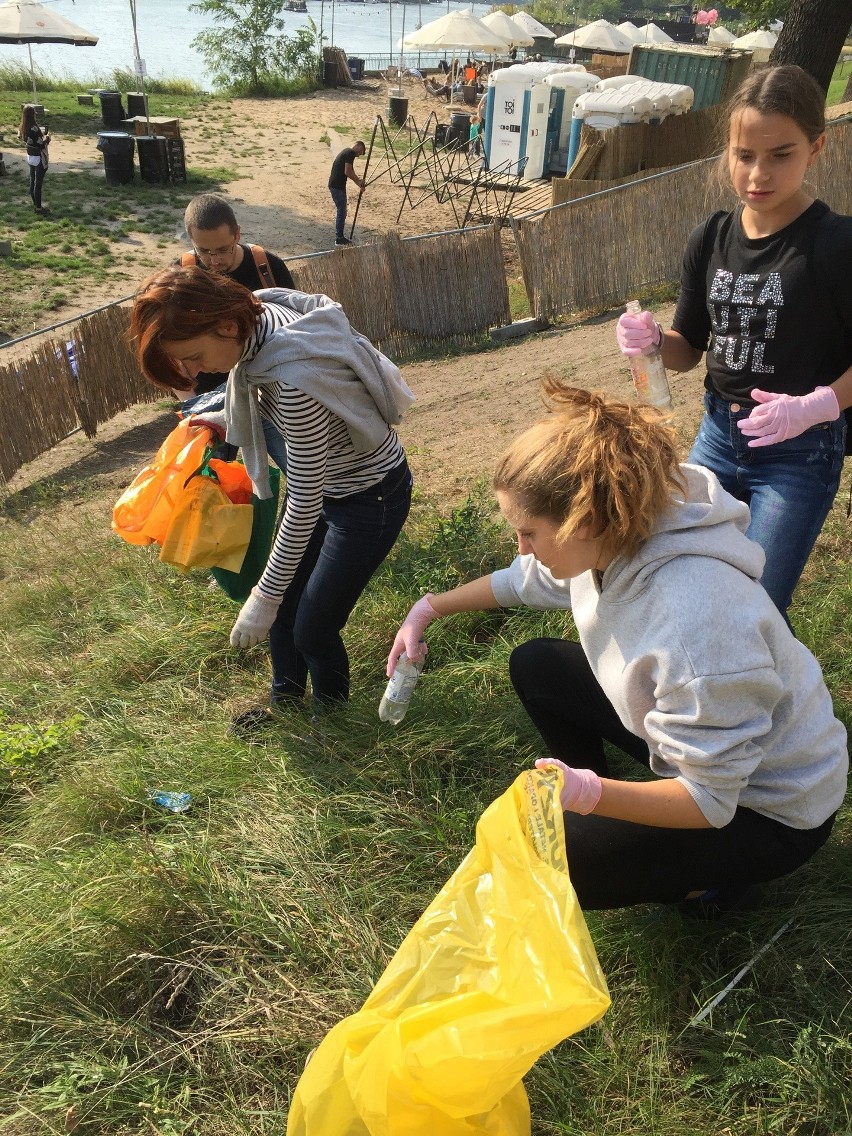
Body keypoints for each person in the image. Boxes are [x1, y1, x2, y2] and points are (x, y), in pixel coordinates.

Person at [387, 381, 847, 913]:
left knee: (558, 860)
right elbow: (521, 580)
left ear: (584, 522)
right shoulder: (617, 533)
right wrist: (428, 609)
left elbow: (711, 799)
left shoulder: (696, 627)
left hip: (768, 809)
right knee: (536, 664)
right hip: (702, 754)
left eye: (529, 532)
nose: (522, 547)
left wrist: (595, 795)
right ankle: (584, 800)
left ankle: (711, 884)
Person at [616, 65, 852, 624]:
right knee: (684, 574)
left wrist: (819, 405)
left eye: (781, 154)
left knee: (755, 608)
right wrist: (651, 342)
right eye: (744, 154)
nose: (758, 173)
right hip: (718, 437)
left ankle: (785, 708)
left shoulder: (836, 242)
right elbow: (689, 347)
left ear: (815, 148)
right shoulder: (712, 237)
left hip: (798, 452)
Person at [130, 265, 413, 730]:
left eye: (195, 356)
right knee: (285, 604)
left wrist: (263, 596)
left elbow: (303, 501)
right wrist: (223, 416)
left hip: (368, 497)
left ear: (224, 325)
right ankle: (287, 703)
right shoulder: (254, 314)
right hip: (329, 486)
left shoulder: (293, 381)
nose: (195, 372)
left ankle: (331, 722)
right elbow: (250, 391)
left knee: (313, 627)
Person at [175, 193, 294, 472]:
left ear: (237, 234)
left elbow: (297, 329)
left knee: (302, 473)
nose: (214, 261)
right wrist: (194, 405)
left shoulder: (268, 267)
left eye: (222, 250)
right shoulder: (182, 279)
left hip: (268, 396)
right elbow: (172, 352)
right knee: (206, 488)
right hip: (211, 401)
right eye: (204, 251)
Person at [328, 140, 366, 248]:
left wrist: (359, 183)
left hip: (336, 185)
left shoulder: (346, 152)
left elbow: (350, 172)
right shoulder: (350, 153)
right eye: (360, 152)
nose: (358, 155)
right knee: (342, 211)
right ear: (359, 146)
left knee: (342, 211)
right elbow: (348, 172)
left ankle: (340, 237)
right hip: (337, 186)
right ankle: (339, 238)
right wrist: (359, 181)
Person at [20, 105, 50, 214]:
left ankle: (35, 205)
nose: (36, 115)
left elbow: (30, 140)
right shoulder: (34, 128)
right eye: (34, 113)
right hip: (38, 158)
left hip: (30, 157)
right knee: (38, 185)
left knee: (32, 181)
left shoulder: (23, 127)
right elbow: (41, 145)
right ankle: (39, 208)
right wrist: (47, 139)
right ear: (32, 115)